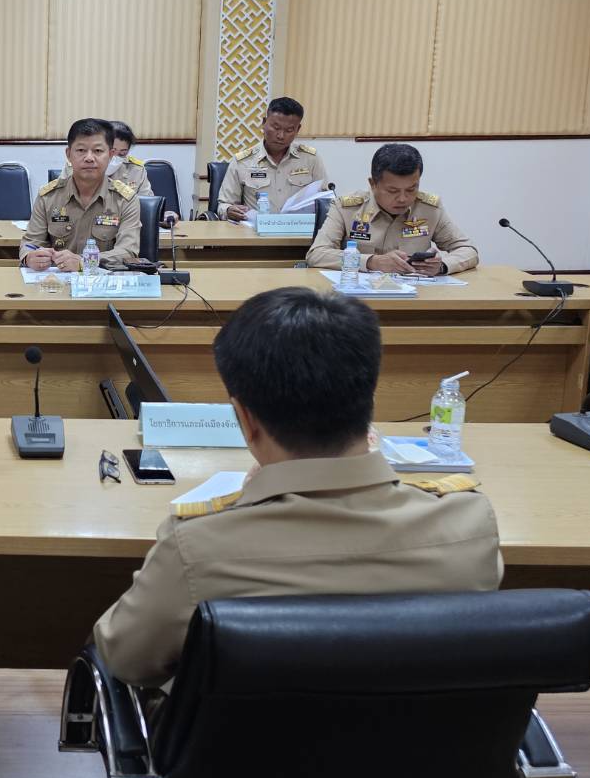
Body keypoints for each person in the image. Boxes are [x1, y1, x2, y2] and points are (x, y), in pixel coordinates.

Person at [93, 287, 502, 693]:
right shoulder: (469, 525)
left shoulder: (196, 547)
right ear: (368, 399)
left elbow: (125, 659)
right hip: (421, 738)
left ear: (244, 419)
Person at [307, 142, 479, 277]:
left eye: (411, 189)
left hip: (415, 296)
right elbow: (317, 254)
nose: (403, 198)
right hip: (358, 297)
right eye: (393, 191)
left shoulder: (429, 209)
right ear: (373, 184)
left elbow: (467, 250)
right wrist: (371, 262)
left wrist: (441, 266)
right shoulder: (347, 209)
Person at [22, 118, 141, 271]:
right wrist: (29, 257)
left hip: (104, 281)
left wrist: (85, 262)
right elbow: (30, 243)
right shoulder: (48, 196)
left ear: (111, 155)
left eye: (98, 151)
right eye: (81, 150)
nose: (89, 158)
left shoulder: (125, 200)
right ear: (68, 154)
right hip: (55, 280)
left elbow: (127, 252)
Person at [217, 97, 328, 220]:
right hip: (255, 230)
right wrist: (229, 210)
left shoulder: (311, 159)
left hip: (298, 229)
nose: (281, 136)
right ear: (264, 122)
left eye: (289, 130)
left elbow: (325, 202)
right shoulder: (243, 162)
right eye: (276, 128)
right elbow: (224, 204)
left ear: (298, 129)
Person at [60, 120, 153, 196]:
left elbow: (147, 203)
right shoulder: (77, 165)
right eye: (112, 151)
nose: (114, 157)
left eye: (122, 154)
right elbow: (60, 198)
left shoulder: (136, 170)